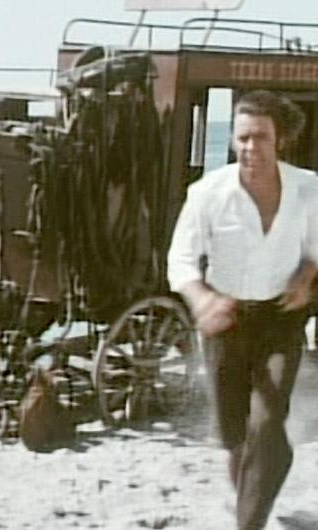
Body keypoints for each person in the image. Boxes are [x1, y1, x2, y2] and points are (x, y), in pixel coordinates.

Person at [167, 90, 316, 530]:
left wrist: (306, 277)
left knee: (268, 420)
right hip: (226, 322)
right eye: (243, 138)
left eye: (261, 137)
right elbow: (180, 260)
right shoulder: (208, 193)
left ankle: (249, 523)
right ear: (233, 140)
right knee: (235, 437)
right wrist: (202, 299)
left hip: (280, 320)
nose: (251, 147)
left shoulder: (308, 188)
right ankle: (251, 503)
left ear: (280, 139)